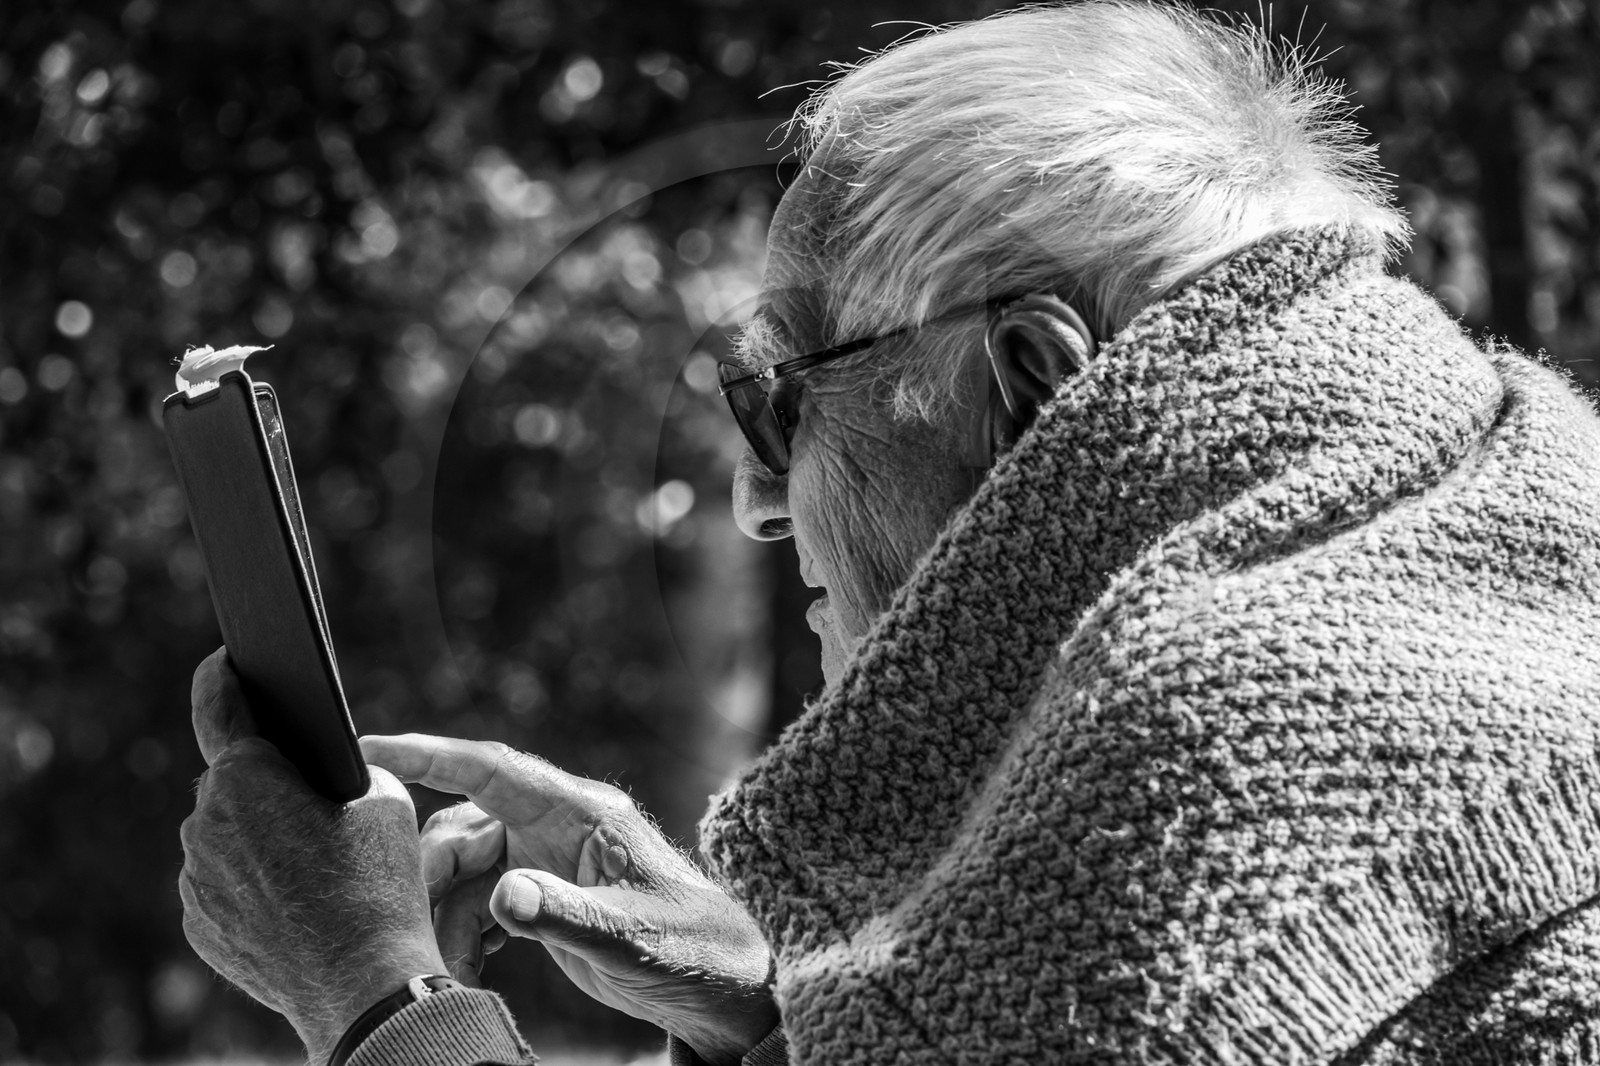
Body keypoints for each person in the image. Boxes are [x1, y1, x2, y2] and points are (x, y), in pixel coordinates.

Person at [179, 2, 1600, 1064]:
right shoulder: (1535, 509)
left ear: (1035, 380)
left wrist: (374, 988)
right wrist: (799, 1008)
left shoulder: (1198, 733)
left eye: (778, 403)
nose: (750, 496)